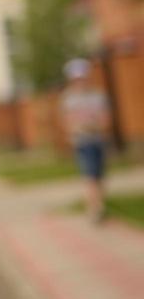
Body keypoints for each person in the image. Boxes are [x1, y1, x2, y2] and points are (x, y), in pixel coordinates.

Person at [60, 58, 112, 222]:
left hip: (98, 140)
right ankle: (94, 209)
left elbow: (105, 119)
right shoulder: (68, 99)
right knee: (90, 176)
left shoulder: (97, 96)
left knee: (99, 176)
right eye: (77, 79)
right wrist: (79, 129)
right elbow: (68, 122)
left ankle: (98, 204)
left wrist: (96, 126)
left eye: (82, 77)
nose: (80, 81)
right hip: (83, 142)